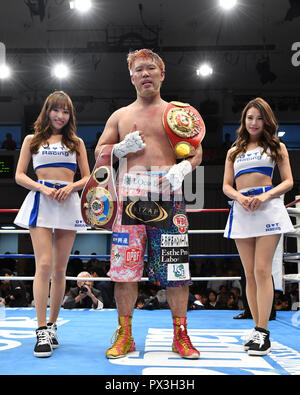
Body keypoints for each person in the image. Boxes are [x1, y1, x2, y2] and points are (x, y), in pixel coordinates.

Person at [94, 49, 203, 359]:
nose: (145, 73)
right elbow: (99, 152)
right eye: (139, 69)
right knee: (124, 272)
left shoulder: (177, 114)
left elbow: (196, 151)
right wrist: (118, 149)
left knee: (176, 272)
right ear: (132, 78)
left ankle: (180, 335)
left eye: (150, 68)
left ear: (161, 74)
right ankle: (125, 335)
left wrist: (184, 168)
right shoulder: (120, 115)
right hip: (129, 201)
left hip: (168, 200)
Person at [14, 91, 90, 358]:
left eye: (66, 111)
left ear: (70, 115)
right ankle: (41, 329)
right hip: (41, 202)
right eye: (56, 110)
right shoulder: (31, 140)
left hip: (68, 203)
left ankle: (54, 325)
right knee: (43, 265)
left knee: (60, 269)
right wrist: (42, 189)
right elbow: (19, 175)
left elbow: (88, 177)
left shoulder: (77, 142)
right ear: (47, 111)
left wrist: (71, 188)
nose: (60, 115)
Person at [223, 97, 294, 356]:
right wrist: (240, 197)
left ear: (267, 120)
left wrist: (265, 196)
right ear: (244, 120)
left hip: (268, 208)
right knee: (249, 273)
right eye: (250, 117)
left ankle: (263, 332)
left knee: (263, 270)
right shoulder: (234, 150)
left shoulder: (277, 147)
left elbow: (288, 181)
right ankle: (256, 327)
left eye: (259, 117)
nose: (254, 122)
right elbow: (226, 185)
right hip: (242, 209)